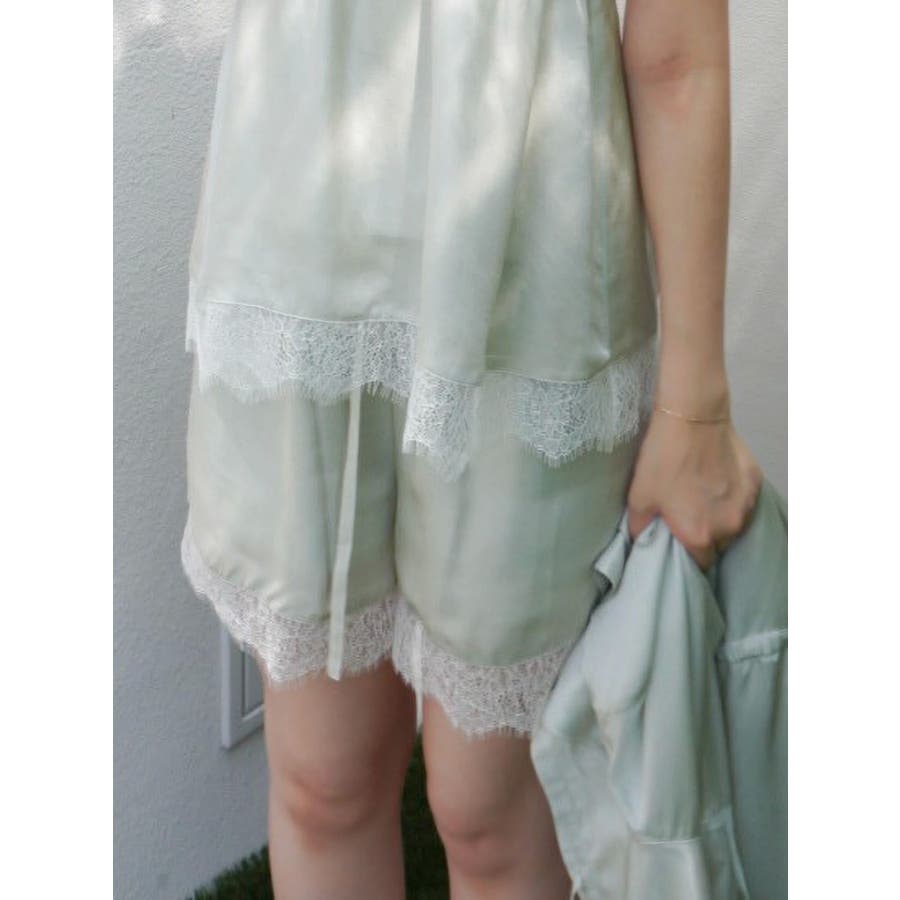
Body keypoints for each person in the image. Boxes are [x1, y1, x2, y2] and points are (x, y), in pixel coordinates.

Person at [179, 0, 763, 897]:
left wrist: (695, 407)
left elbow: (677, 49)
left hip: (533, 274)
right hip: (291, 252)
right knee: (322, 781)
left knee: (492, 811)